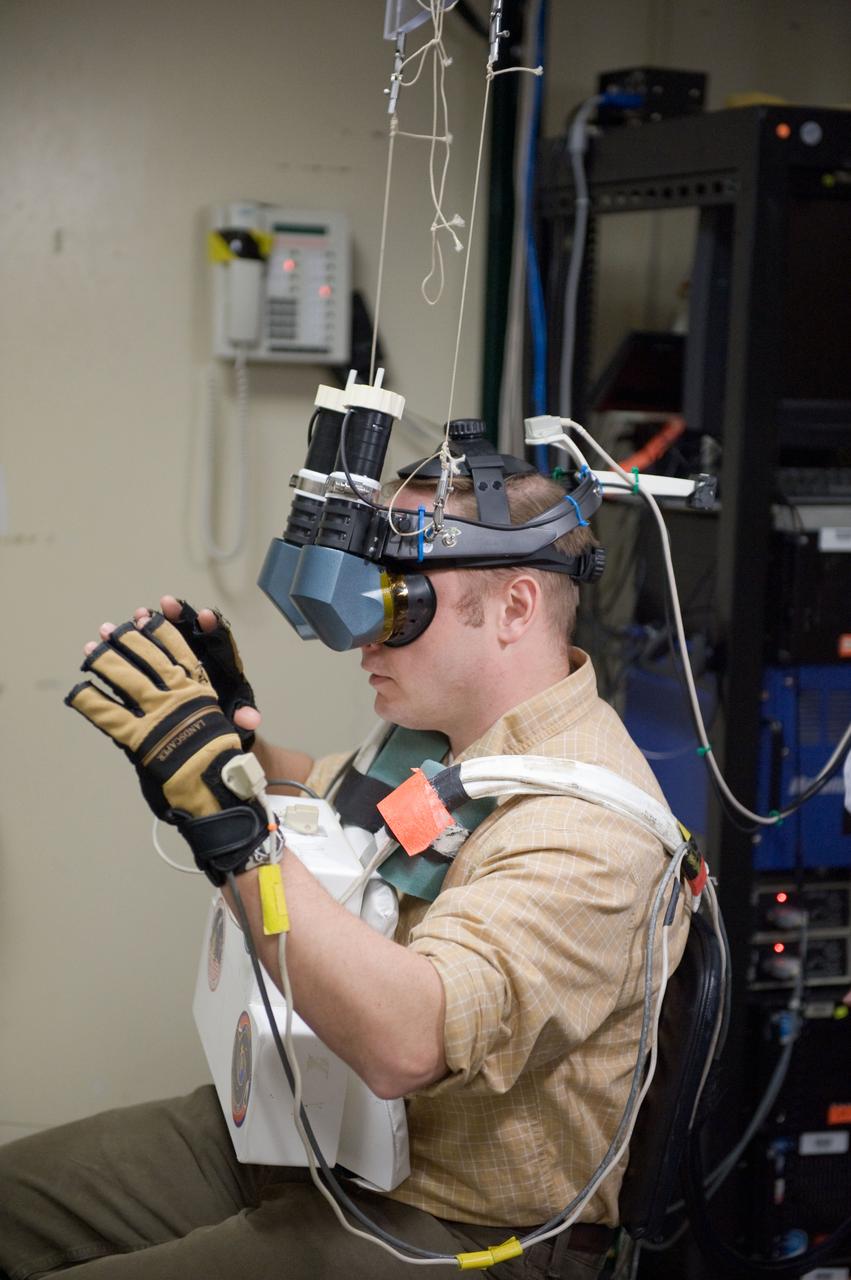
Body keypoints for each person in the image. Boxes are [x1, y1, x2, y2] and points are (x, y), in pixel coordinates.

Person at [0, 470, 692, 1280]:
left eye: (400, 605)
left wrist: (235, 836)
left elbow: (408, 1043)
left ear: (514, 609)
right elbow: (318, 809)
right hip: (309, 1135)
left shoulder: (585, 826)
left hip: (448, 1222)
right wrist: (222, 744)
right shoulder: (445, 737)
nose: (364, 637)